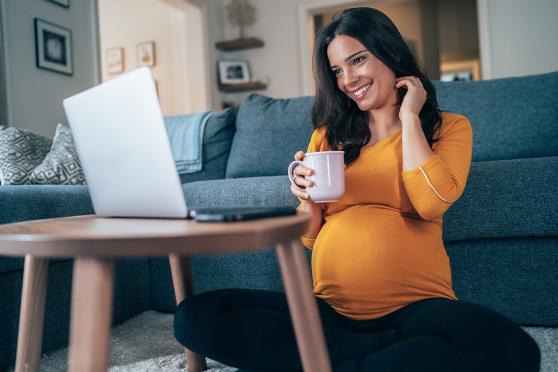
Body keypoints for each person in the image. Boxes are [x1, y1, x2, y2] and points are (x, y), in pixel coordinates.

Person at [173, 7, 541, 372]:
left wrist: (410, 117)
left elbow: (431, 203)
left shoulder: (448, 128)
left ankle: (326, 360)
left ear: (392, 53)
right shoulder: (328, 136)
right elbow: (309, 238)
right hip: (329, 312)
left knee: (514, 349)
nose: (348, 79)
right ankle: (378, 356)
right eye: (337, 70)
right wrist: (306, 195)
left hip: (417, 309)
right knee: (196, 316)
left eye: (358, 61)